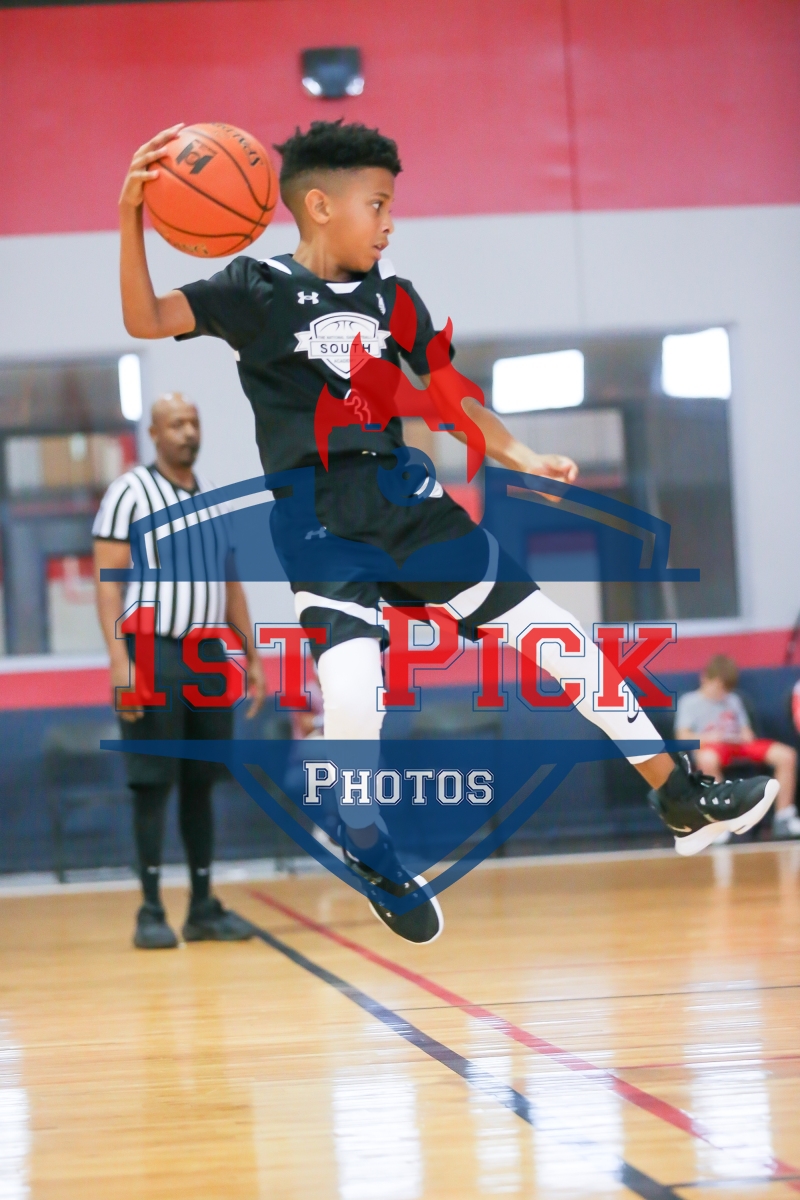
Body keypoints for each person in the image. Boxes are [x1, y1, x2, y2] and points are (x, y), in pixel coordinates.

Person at [117, 120, 778, 944]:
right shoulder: (254, 288)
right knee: (354, 695)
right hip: (319, 517)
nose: (390, 223)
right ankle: (366, 844)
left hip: (406, 500)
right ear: (319, 206)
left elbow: (451, 394)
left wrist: (519, 451)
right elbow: (145, 317)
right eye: (377, 205)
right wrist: (132, 217)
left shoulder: (395, 299)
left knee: (557, 637)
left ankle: (677, 795)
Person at [93, 393, 266, 948]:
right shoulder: (129, 492)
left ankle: (203, 908)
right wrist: (119, 660)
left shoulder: (213, 498)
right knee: (152, 782)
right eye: (176, 424)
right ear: (154, 433)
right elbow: (107, 582)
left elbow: (231, 582)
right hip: (152, 651)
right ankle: (150, 911)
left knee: (200, 782)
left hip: (207, 655)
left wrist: (252, 655)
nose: (188, 432)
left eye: (193, 422)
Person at [676, 654, 800, 840]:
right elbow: (682, 738)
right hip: (711, 747)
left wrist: (741, 736)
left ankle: (784, 818)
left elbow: (747, 734)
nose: (721, 694)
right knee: (707, 759)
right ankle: (719, 822)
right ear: (705, 678)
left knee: (786, 755)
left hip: (737, 745)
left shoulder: (733, 700)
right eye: (718, 687)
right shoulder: (689, 701)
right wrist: (709, 738)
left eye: (725, 689)